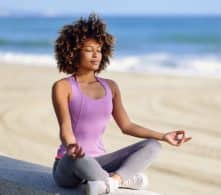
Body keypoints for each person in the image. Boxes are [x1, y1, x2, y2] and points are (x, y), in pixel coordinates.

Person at [51, 13, 192, 195]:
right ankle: (122, 179)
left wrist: (163, 136)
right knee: (79, 159)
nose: (96, 55)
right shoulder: (63, 87)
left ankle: (111, 181)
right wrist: (71, 146)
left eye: (99, 50)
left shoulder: (111, 87)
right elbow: (65, 128)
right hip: (69, 164)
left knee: (153, 146)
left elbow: (126, 126)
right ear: (74, 52)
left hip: (98, 162)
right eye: (88, 50)